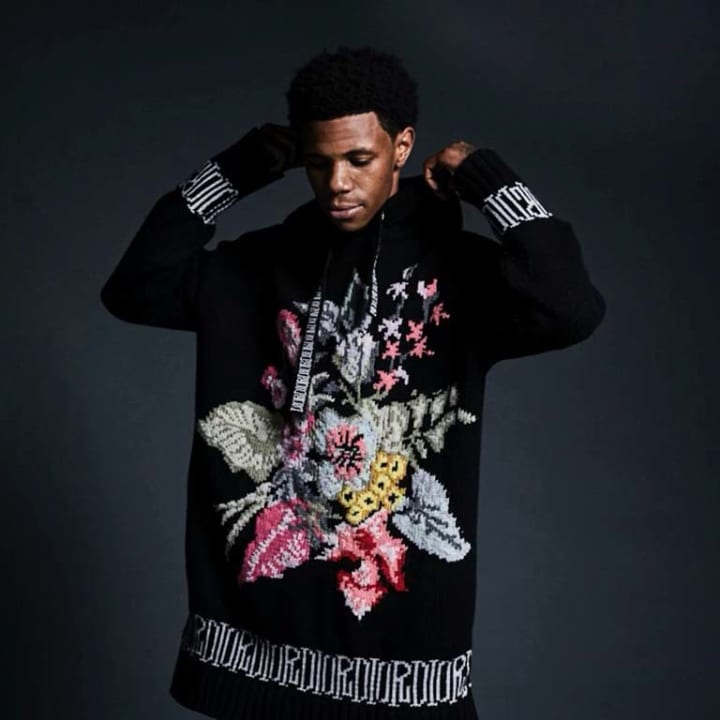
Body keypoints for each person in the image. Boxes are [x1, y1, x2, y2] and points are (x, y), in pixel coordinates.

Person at [100, 45, 606, 719]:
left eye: (359, 159)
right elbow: (134, 288)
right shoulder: (259, 265)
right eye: (319, 162)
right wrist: (234, 171)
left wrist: (488, 180)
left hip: (399, 656)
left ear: (402, 147)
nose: (337, 182)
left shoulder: (458, 274)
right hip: (257, 650)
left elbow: (572, 307)